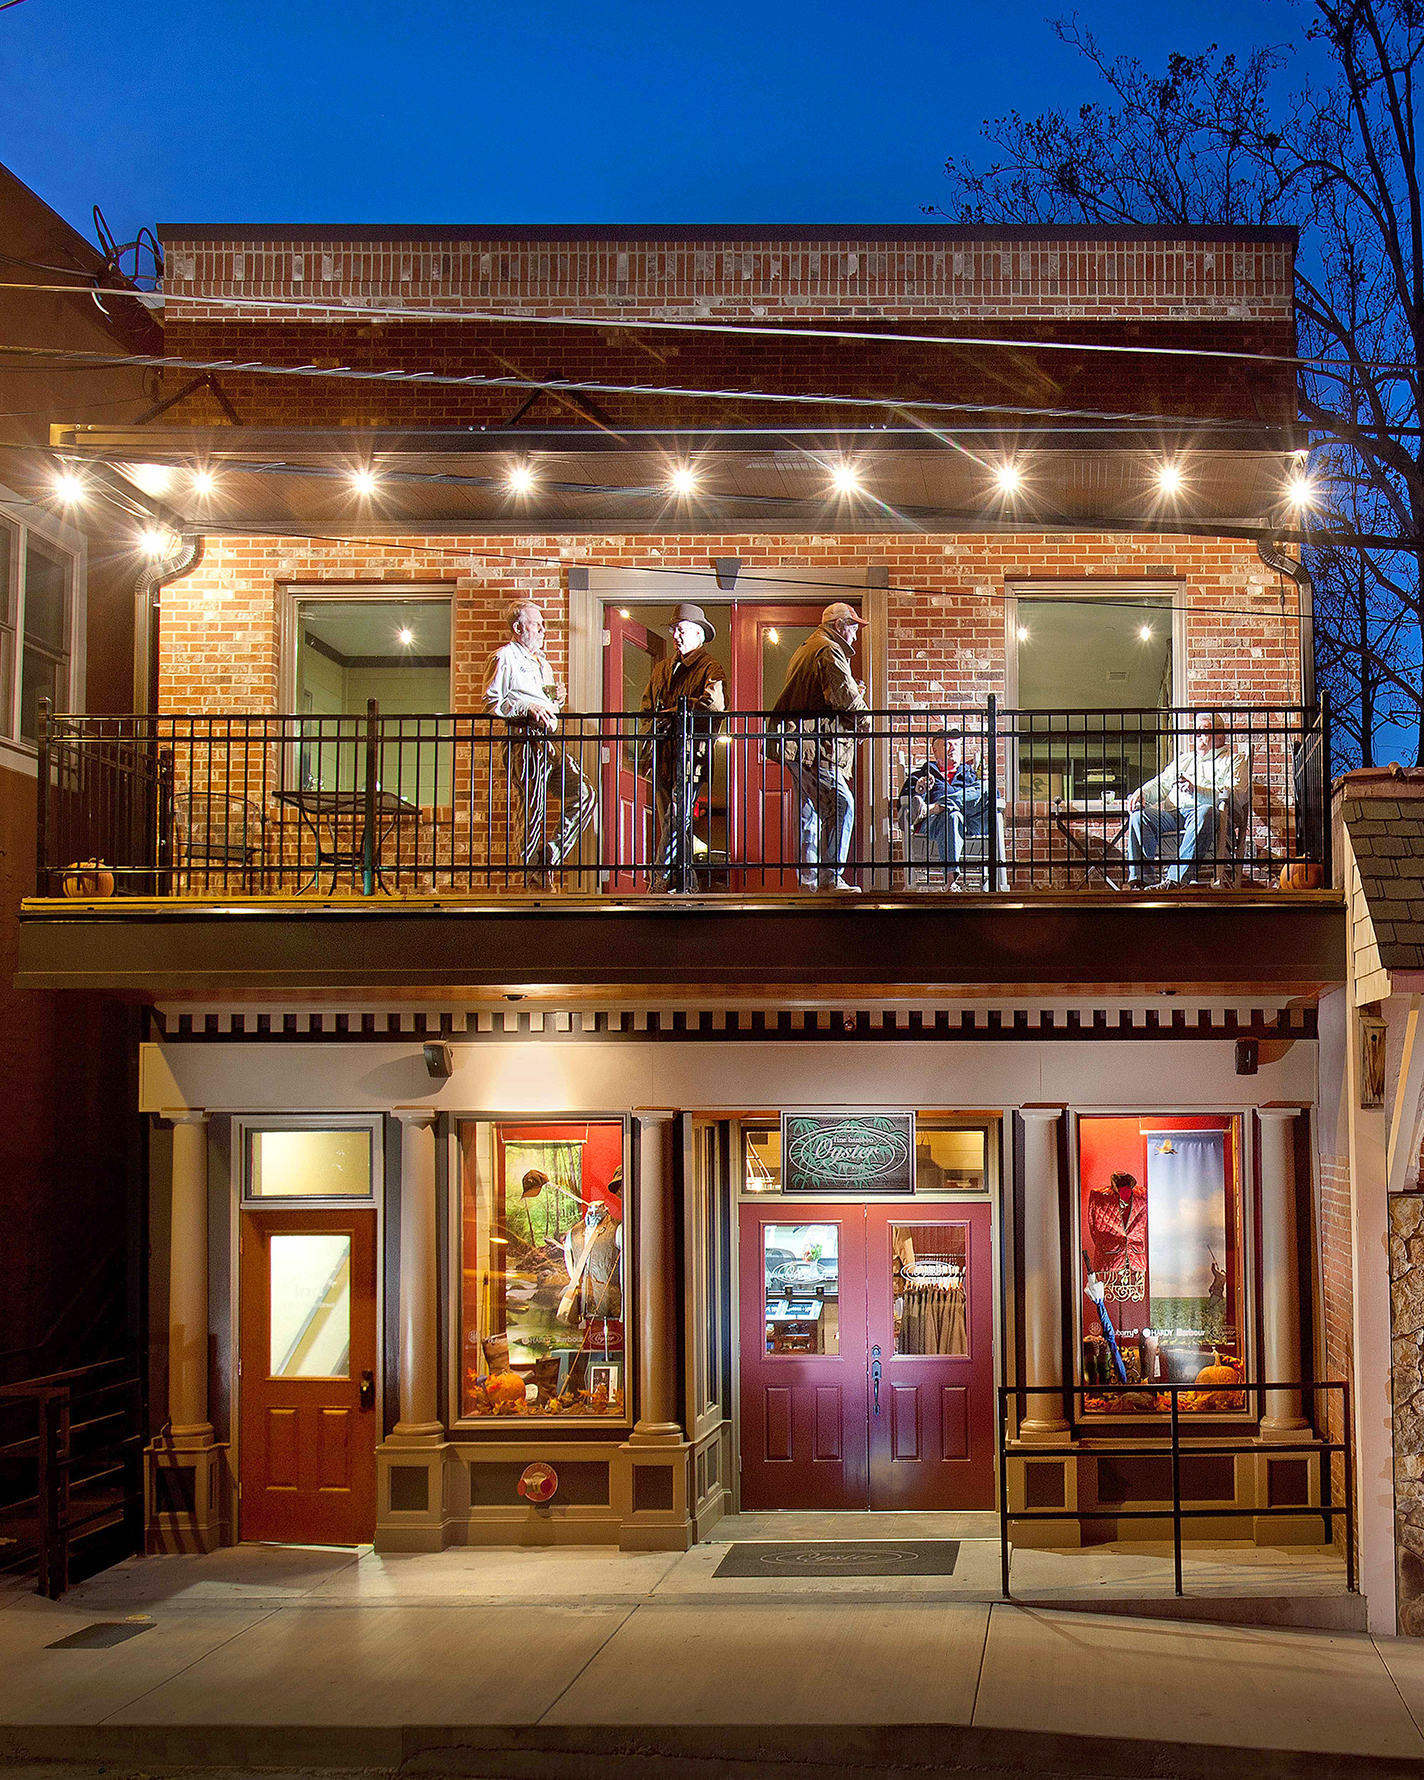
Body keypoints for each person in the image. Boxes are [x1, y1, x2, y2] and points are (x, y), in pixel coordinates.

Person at [483, 600, 597, 882]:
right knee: (533, 804)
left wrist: (556, 699)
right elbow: (490, 702)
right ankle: (532, 875)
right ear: (518, 627)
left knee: (585, 794)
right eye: (536, 624)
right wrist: (528, 707)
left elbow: (548, 705)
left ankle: (548, 856)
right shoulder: (504, 657)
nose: (543, 629)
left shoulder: (542, 662)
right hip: (523, 739)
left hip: (549, 740)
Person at [769, 602, 869, 890]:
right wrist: (865, 723)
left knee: (809, 813)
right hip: (814, 747)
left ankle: (809, 882)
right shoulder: (828, 649)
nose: (855, 635)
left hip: (799, 744)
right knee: (842, 805)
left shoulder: (808, 648)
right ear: (839, 625)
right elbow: (845, 697)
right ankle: (830, 878)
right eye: (853, 627)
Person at [639, 603, 726, 891]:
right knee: (676, 822)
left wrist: (675, 713)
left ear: (699, 634)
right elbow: (646, 709)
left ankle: (658, 879)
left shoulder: (710, 667)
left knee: (676, 817)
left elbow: (713, 706)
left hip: (691, 757)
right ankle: (688, 884)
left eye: (682, 630)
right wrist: (652, 735)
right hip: (663, 755)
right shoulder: (663, 669)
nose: (675, 635)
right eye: (673, 629)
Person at [1124, 710, 1248, 887]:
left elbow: (1236, 795)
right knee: (1139, 817)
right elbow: (1162, 782)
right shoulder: (1184, 760)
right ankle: (1141, 881)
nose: (1196, 734)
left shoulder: (1234, 761)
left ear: (1220, 734)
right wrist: (1142, 792)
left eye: (1203, 730)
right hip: (1174, 815)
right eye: (1195, 730)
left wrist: (1196, 790)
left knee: (1205, 812)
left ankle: (1174, 881)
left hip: (1209, 819)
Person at [896, 729, 992, 888]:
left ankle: (934, 807)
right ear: (934, 750)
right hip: (936, 826)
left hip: (970, 825)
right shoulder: (921, 774)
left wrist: (983, 784)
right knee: (953, 815)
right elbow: (905, 805)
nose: (953, 748)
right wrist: (919, 791)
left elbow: (993, 797)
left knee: (988, 787)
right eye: (947, 744)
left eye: (956, 745)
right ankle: (950, 881)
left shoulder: (971, 775)